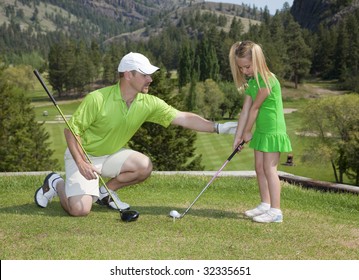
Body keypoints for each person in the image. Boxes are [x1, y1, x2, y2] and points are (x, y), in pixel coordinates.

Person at [34, 52, 237, 217]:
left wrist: (218, 127)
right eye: (144, 74)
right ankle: (55, 183)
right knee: (80, 210)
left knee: (144, 166)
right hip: (83, 156)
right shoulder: (97, 99)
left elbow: (182, 118)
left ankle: (106, 192)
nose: (150, 79)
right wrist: (80, 162)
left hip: (110, 155)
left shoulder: (147, 102)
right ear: (128, 75)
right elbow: (71, 131)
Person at [229, 41, 292, 223]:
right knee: (259, 168)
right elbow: (245, 111)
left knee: (269, 168)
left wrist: (247, 132)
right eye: (241, 68)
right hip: (262, 130)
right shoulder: (253, 83)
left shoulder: (267, 81)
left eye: (247, 66)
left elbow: (255, 109)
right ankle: (265, 204)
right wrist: (238, 137)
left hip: (273, 130)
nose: (244, 71)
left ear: (257, 61)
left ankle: (276, 211)